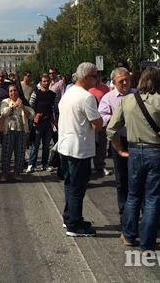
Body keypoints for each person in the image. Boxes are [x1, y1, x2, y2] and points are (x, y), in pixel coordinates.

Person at [107, 67, 160, 251]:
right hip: (157, 151)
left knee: (133, 195)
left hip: (134, 151)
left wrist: (120, 150)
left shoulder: (128, 100)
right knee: (153, 198)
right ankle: (147, 242)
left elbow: (111, 129)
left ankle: (129, 235)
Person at [56, 62, 102, 238]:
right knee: (77, 187)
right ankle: (74, 224)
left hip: (66, 145)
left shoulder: (68, 93)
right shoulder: (87, 97)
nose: (97, 79)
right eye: (94, 76)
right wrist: (103, 119)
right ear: (85, 77)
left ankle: (70, 217)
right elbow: (96, 124)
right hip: (79, 147)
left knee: (69, 184)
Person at [98, 67, 135, 223]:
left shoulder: (137, 94)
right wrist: (115, 117)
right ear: (114, 82)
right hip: (118, 140)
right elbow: (101, 116)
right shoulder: (108, 98)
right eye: (121, 81)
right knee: (121, 177)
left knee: (140, 177)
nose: (125, 83)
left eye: (127, 79)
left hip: (136, 140)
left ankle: (145, 211)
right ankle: (123, 212)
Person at [0, 85, 34, 182]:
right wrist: (13, 106)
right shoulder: (5, 102)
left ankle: (17, 173)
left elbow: (32, 115)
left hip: (21, 130)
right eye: (11, 91)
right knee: (6, 152)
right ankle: (5, 173)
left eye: (14, 90)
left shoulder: (23, 101)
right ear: (8, 93)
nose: (13, 93)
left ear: (18, 91)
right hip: (9, 130)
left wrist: (23, 108)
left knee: (20, 153)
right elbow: (3, 112)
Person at [26, 74, 59, 173]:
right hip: (37, 123)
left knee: (46, 145)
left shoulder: (53, 95)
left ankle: (45, 164)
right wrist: (34, 119)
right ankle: (31, 164)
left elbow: (56, 109)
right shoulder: (35, 93)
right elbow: (31, 107)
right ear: (40, 83)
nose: (46, 83)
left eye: (47, 81)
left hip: (48, 122)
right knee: (35, 145)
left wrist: (56, 120)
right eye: (44, 81)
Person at [88, 70, 113, 176]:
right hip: (89, 121)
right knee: (90, 144)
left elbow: (109, 102)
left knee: (102, 144)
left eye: (97, 76)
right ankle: (88, 168)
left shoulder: (104, 88)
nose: (96, 78)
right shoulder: (87, 88)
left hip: (101, 120)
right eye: (94, 76)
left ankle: (100, 165)